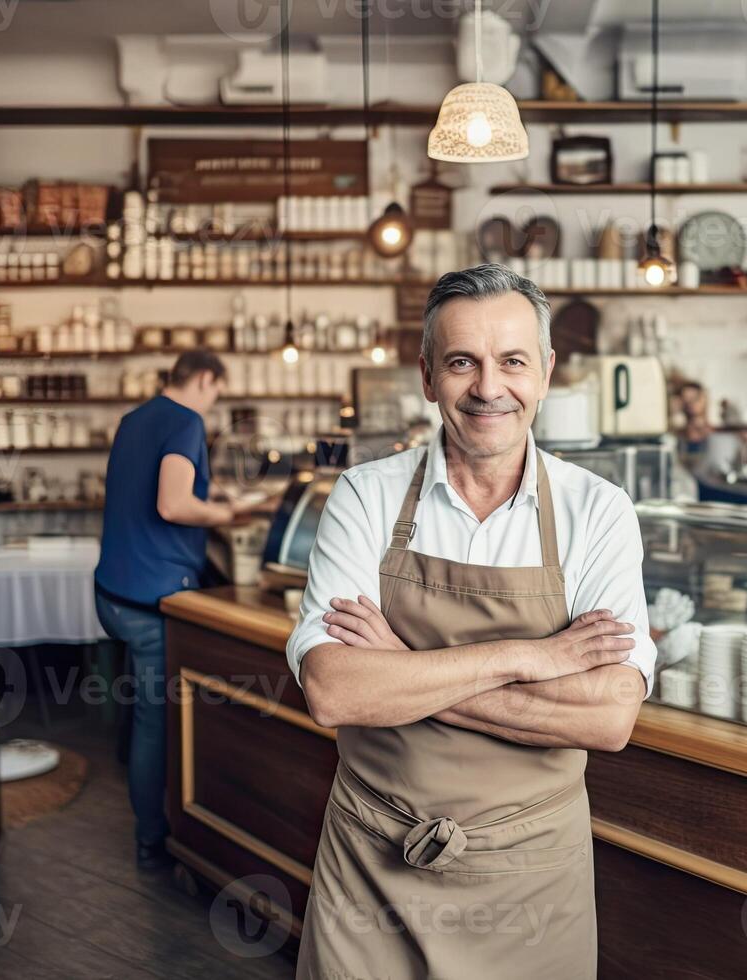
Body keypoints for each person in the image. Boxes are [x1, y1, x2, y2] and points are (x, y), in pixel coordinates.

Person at [288, 264, 656, 979]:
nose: (489, 388)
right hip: (371, 859)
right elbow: (336, 693)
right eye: (462, 363)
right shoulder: (365, 496)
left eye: (512, 361)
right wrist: (528, 655)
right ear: (428, 376)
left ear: (545, 373)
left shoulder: (597, 510)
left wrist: (401, 661)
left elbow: (607, 719)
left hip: (532, 874)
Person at [94, 349, 255, 869]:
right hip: (150, 603)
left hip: (111, 594)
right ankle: (152, 840)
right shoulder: (187, 421)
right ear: (205, 378)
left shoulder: (135, 418)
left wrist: (211, 494)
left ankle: (149, 807)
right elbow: (173, 504)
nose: (213, 400)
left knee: (142, 708)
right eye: (216, 390)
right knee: (154, 719)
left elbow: (153, 490)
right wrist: (225, 514)